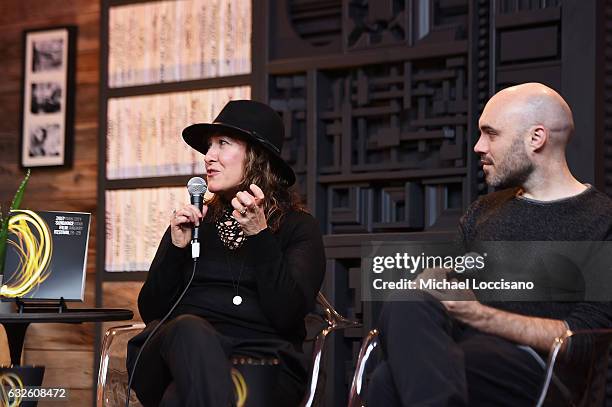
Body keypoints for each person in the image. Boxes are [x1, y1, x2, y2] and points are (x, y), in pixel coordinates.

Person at [366, 82, 612, 406]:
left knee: (388, 380)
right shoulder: (483, 211)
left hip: (539, 371)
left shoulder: (602, 219)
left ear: (536, 138)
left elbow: (584, 340)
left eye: (491, 134)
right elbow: (458, 287)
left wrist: (480, 316)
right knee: (406, 300)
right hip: (461, 350)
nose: (478, 147)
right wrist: (439, 283)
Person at [127, 100, 326, 406]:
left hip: (260, 363)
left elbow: (287, 316)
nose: (209, 157)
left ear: (257, 158)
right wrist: (176, 250)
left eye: (223, 144)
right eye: (208, 147)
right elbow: (153, 311)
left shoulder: (298, 228)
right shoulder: (195, 221)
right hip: (172, 354)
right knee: (188, 329)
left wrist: (259, 236)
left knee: (177, 398)